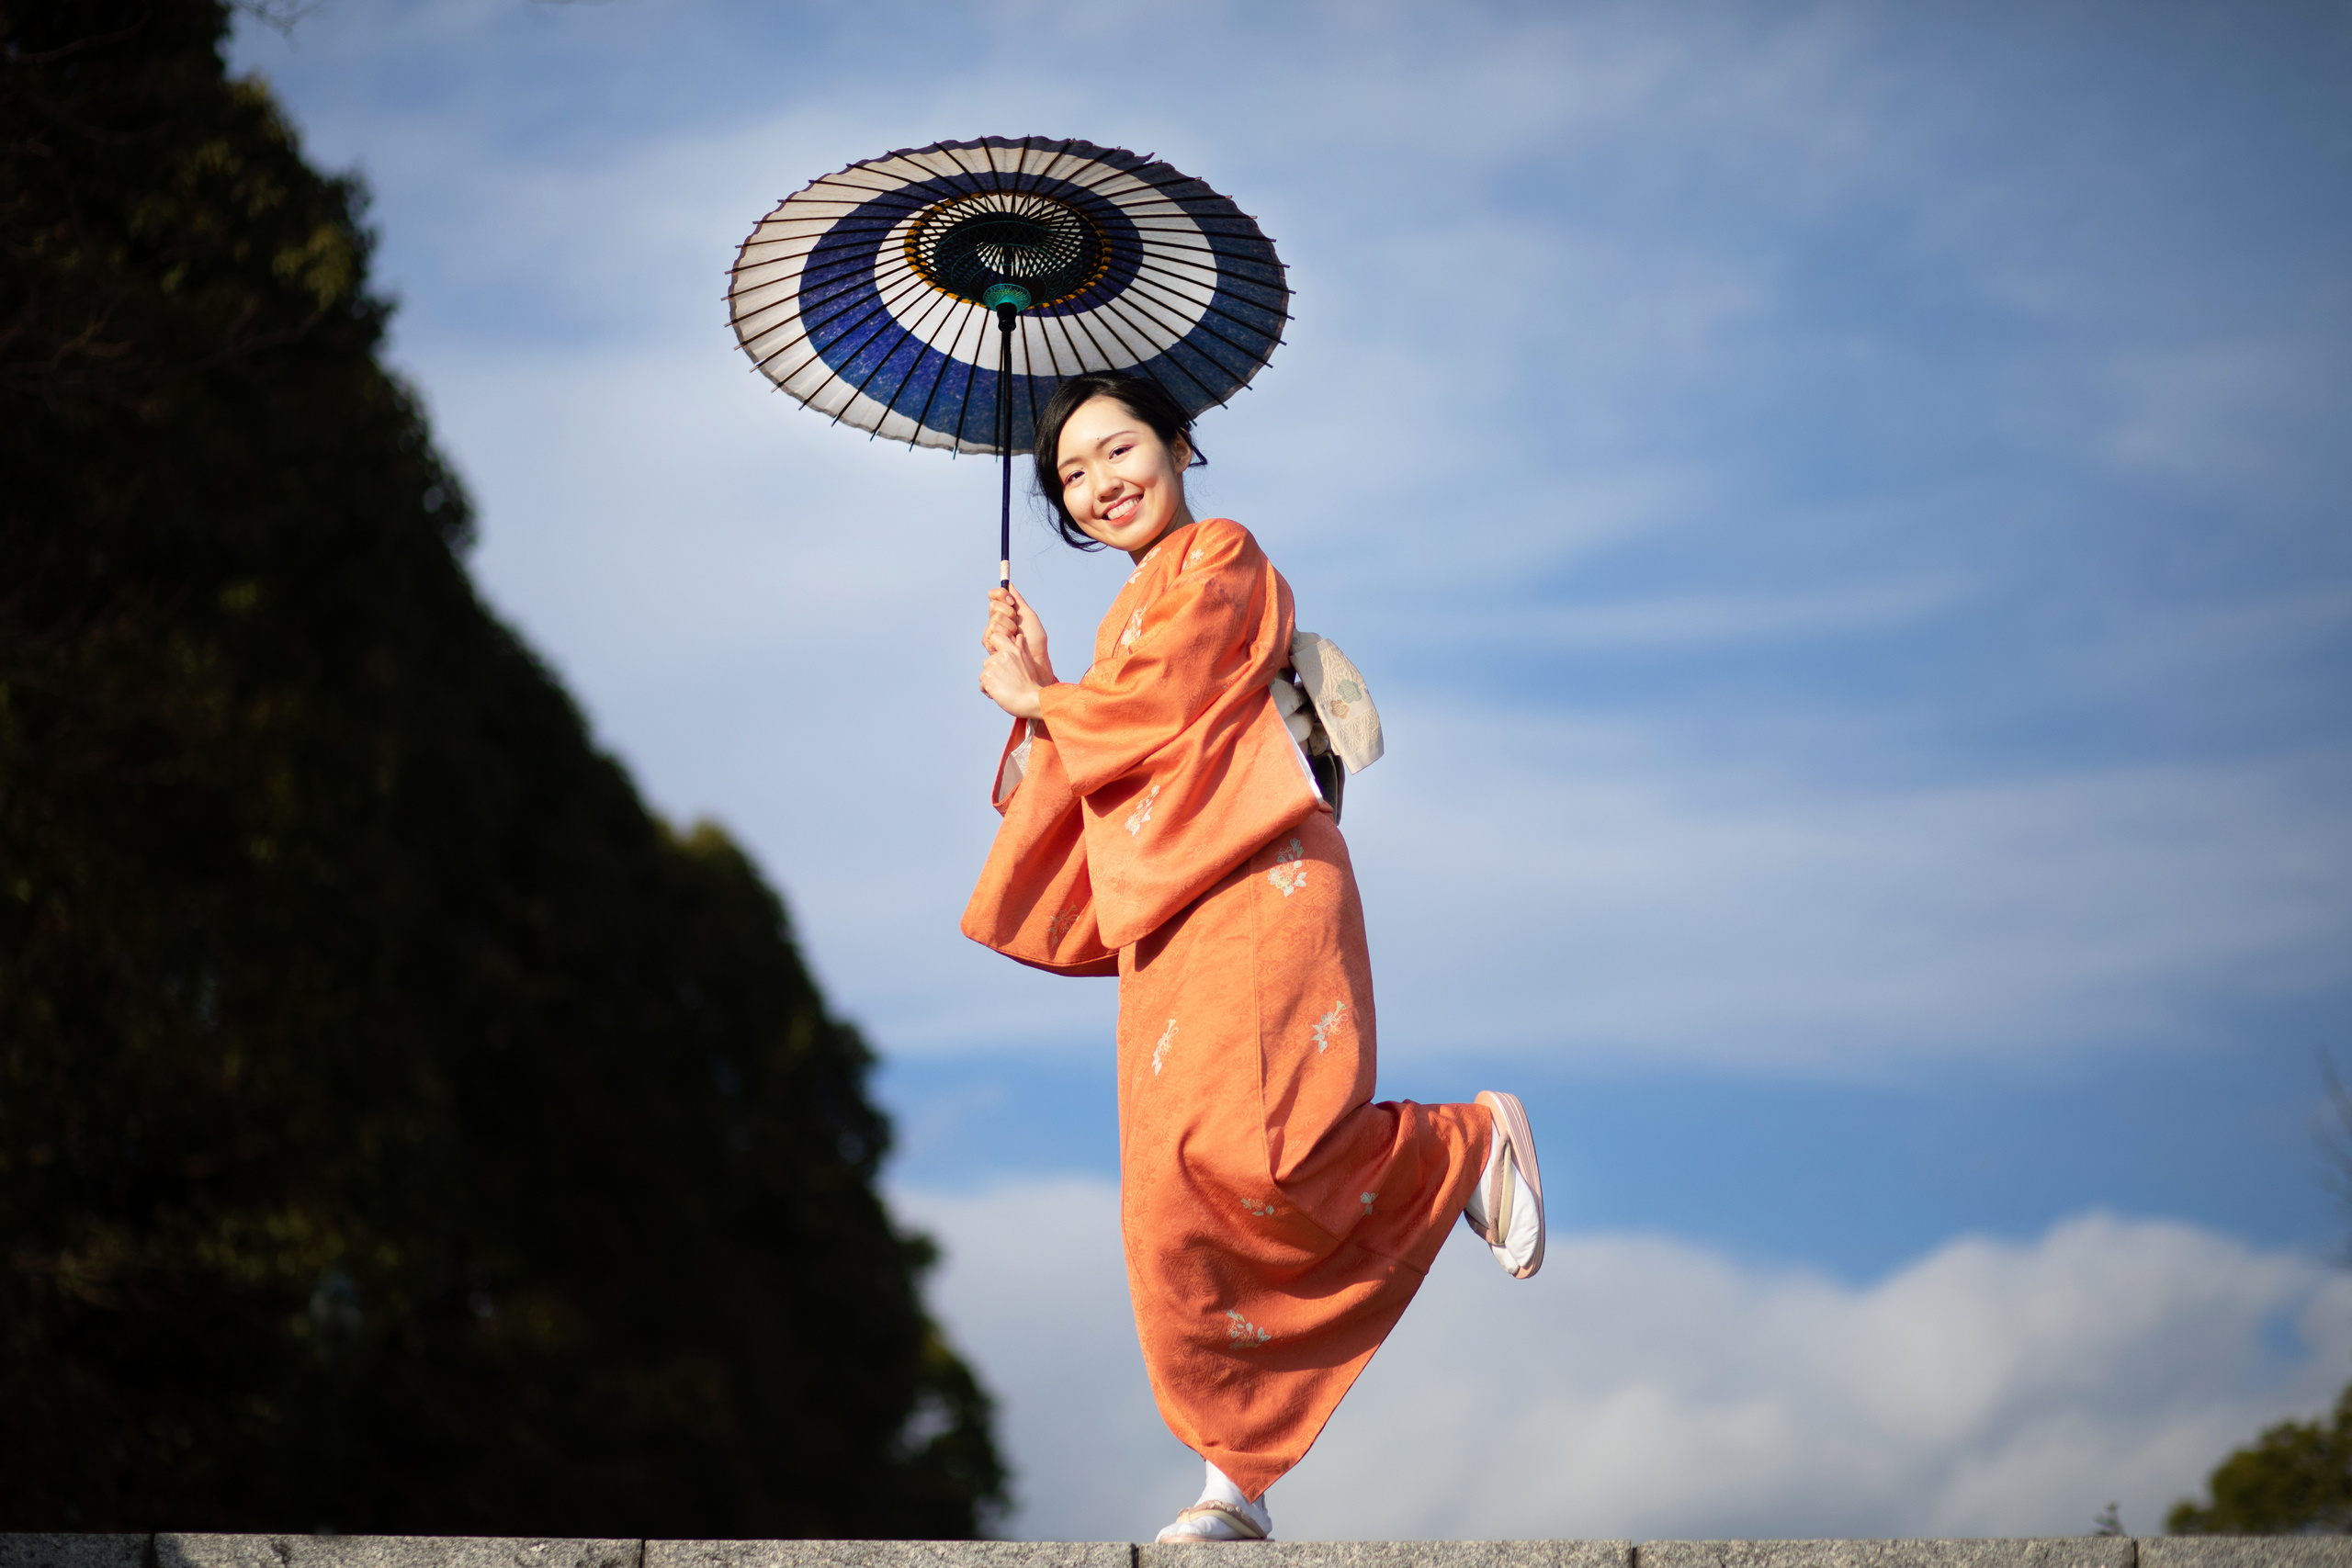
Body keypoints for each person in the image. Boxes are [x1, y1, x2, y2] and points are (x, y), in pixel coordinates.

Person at [964, 371, 1544, 1543]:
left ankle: (1463, 1144)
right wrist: (1031, 702)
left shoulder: (1219, 553)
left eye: (1116, 450)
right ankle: (1235, 1474)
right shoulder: (1114, 622)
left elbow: (1164, 701)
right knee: (1170, 1201)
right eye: (1071, 476)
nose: (1098, 484)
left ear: (1180, 444)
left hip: (1260, 876)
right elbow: (1080, 778)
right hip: (1170, 919)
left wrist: (1052, 700)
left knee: (1268, 1147)